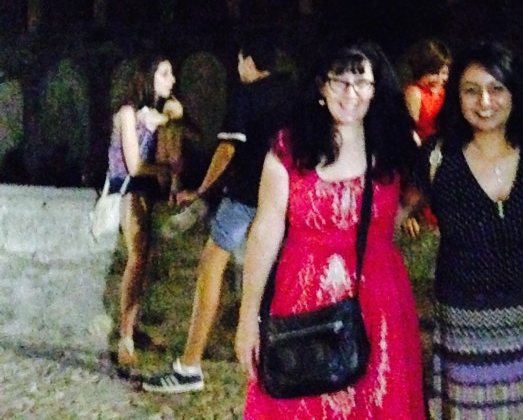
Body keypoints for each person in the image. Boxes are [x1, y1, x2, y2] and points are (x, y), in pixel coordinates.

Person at [235, 40, 424, 420]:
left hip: (379, 303)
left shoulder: (392, 147)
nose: (350, 93)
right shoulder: (290, 148)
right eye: (340, 81)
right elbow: (266, 231)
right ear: (322, 85)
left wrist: (378, 235)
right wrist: (248, 319)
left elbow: (413, 195)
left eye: (361, 82)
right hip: (302, 299)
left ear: (375, 89)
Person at [143, 30, 294, 394]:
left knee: (211, 264)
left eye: (239, 61)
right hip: (285, 199)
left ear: (249, 62)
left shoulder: (246, 95)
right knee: (279, 276)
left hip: (244, 197)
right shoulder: (292, 92)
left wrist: (201, 190)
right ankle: (280, 363)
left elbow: (226, 150)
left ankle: (190, 365)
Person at [424, 39, 523, 420]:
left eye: (496, 88)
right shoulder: (437, 158)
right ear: (456, 96)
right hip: (468, 327)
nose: (484, 102)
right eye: (471, 90)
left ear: (514, 92)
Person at [106, 54, 183, 370]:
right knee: (136, 259)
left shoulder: (153, 113)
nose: (172, 80)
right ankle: (125, 337)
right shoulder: (127, 112)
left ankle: (132, 327)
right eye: (164, 73)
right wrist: (162, 170)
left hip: (144, 189)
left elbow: (174, 144)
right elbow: (134, 164)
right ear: (147, 76)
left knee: (143, 261)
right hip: (127, 188)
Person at [402, 36, 451, 144]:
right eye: (434, 73)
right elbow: (409, 131)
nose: (440, 79)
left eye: (444, 73)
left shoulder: (443, 92)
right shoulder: (414, 93)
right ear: (421, 70)